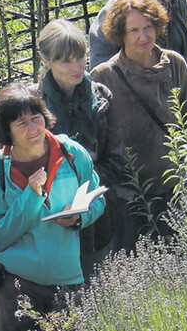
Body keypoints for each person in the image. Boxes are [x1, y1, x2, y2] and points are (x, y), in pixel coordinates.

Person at [0, 83, 105, 331]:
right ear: (7, 131)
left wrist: (79, 220)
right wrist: (31, 197)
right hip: (15, 284)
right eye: (21, 123)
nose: (33, 128)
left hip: (67, 277)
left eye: (37, 118)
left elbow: (97, 199)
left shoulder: (71, 153)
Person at [90, 0, 187, 249]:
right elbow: (98, 140)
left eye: (148, 27)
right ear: (120, 34)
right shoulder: (104, 75)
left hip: (177, 188)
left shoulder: (176, 64)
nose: (143, 36)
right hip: (131, 196)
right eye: (133, 30)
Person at [37, 18, 124, 276]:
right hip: (50, 213)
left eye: (81, 57)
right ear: (46, 61)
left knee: (100, 288)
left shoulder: (102, 96)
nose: (77, 67)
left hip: (98, 208)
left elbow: (117, 159)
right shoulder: (33, 105)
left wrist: (86, 190)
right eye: (65, 60)